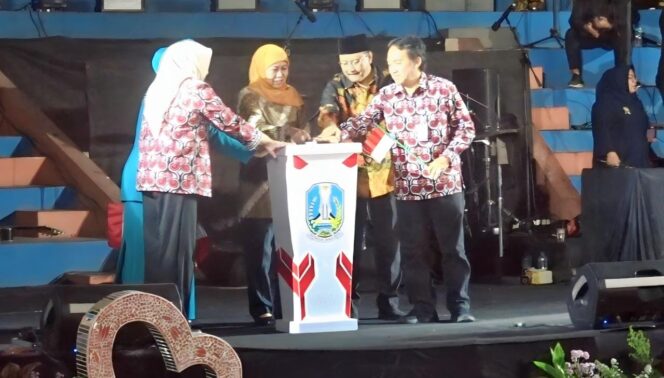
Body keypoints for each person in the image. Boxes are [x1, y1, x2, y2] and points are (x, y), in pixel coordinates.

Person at [136, 40, 285, 318]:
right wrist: (264, 140)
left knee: (159, 254)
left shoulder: (157, 89)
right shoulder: (193, 88)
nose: (205, 71)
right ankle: (173, 319)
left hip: (153, 181)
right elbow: (227, 121)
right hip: (179, 181)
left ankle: (156, 316)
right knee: (178, 254)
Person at [337, 36, 476, 324]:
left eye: (398, 62)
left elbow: (466, 128)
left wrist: (445, 158)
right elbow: (361, 123)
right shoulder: (387, 95)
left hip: (444, 183)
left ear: (417, 61)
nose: (393, 69)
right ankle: (423, 308)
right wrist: (335, 133)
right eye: (390, 64)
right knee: (413, 252)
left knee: (453, 250)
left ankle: (460, 307)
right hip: (408, 188)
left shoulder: (443, 89)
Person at [117, 46, 255, 319]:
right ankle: (144, 316)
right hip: (151, 182)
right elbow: (217, 130)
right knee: (150, 256)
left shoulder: (159, 94)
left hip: (150, 180)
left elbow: (210, 131)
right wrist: (257, 149)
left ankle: (167, 315)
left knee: (173, 252)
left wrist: (254, 153)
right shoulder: (168, 95)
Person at [317, 34, 404, 320]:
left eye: (356, 61)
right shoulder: (335, 84)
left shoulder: (390, 84)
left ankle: (389, 302)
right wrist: (330, 127)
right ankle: (346, 304)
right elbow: (327, 114)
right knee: (346, 241)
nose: (351, 67)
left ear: (370, 57)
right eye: (345, 62)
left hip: (385, 174)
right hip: (347, 174)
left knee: (388, 241)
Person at [237, 44, 310, 326]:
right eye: (275, 68)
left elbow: (302, 131)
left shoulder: (294, 97)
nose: (280, 74)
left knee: (287, 246)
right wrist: (286, 132)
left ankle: (286, 305)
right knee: (260, 246)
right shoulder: (250, 94)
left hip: (290, 177)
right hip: (258, 178)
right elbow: (251, 130)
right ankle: (261, 306)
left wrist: (303, 134)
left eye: (285, 68)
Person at [591, 65, 651, 168]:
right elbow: (601, 128)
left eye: (634, 77)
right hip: (618, 163)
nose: (634, 81)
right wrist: (609, 151)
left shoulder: (636, 102)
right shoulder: (606, 102)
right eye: (629, 77)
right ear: (618, 80)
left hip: (638, 161)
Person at [565, 0, 633, 88]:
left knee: (623, 35)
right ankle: (576, 76)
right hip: (589, 33)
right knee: (570, 35)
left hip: (611, 34)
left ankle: (622, 73)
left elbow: (625, 21)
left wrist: (609, 24)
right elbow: (573, 19)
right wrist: (588, 27)